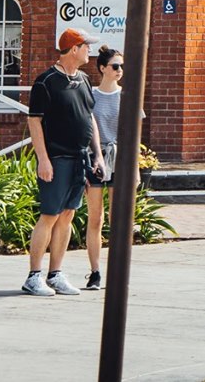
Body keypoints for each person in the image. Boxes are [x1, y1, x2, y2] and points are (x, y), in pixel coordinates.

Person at [22, 29, 103, 297]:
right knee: (50, 215)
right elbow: (34, 121)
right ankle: (34, 276)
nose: (89, 51)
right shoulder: (46, 82)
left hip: (80, 157)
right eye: (85, 47)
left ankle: (55, 274)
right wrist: (43, 159)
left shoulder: (84, 80)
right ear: (73, 49)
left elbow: (89, 117)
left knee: (68, 215)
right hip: (56, 159)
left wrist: (97, 154)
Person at [80, 45, 131, 291]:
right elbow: (84, 130)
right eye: (115, 66)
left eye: (121, 66)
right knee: (95, 218)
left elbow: (134, 134)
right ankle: (95, 271)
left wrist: (136, 169)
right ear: (102, 68)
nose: (120, 70)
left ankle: (118, 271)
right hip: (95, 160)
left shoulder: (127, 96)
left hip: (120, 160)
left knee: (117, 218)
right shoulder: (91, 95)